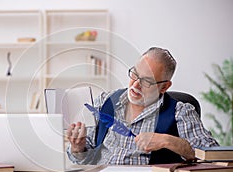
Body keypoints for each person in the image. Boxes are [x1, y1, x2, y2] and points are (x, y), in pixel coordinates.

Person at [66, 47, 219, 165]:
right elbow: (83, 159)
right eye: (135, 74)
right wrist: (78, 148)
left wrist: (167, 141)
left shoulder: (181, 112)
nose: (136, 85)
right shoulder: (105, 102)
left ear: (164, 87)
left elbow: (212, 156)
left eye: (147, 81)